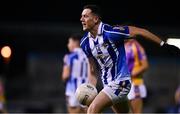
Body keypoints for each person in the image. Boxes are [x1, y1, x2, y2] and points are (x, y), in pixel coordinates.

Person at [80, 4, 180, 113]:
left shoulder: (111, 32)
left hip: (121, 83)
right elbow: (93, 71)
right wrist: (89, 91)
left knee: (92, 110)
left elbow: (141, 31)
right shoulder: (85, 43)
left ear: (95, 19)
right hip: (108, 86)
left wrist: (163, 44)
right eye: (82, 16)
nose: (81, 19)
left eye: (85, 16)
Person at [61, 34, 89, 113]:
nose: (68, 45)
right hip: (87, 90)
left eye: (69, 42)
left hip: (73, 90)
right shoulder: (88, 56)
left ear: (75, 42)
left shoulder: (69, 57)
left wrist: (64, 82)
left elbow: (65, 75)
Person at [125, 39, 149, 113]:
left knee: (136, 112)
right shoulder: (118, 44)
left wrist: (131, 74)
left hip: (135, 84)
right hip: (122, 84)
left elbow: (145, 65)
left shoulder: (135, 45)